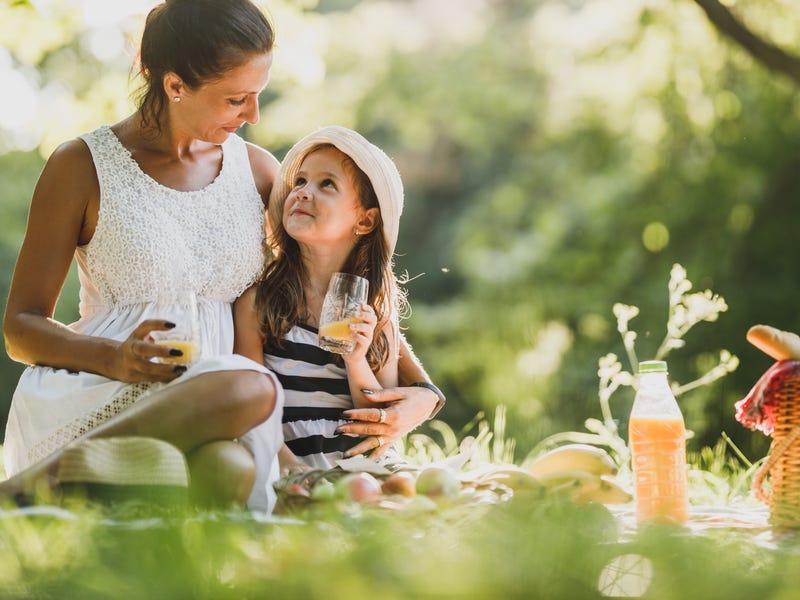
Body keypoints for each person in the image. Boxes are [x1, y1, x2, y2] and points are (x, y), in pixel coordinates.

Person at [1, 0, 443, 507]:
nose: (253, 114)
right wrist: (115, 359)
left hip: (225, 417)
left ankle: (71, 515)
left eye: (257, 95)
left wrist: (425, 395)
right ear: (175, 86)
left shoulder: (255, 171)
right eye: (237, 99)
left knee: (229, 469)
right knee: (251, 387)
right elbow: (20, 329)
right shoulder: (80, 166)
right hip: (107, 392)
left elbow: (333, 288)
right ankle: (36, 485)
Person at [234, 126, 410, 471]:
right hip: (287, 463)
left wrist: (356, 359)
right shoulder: (258, 304)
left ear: (365, 220)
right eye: (299, 182)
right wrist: (293, 475)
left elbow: (382, 425)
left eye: (326, 184)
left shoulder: (377, 316)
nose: (302, 193)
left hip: (363, 467)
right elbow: (251, 407)